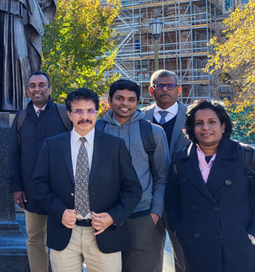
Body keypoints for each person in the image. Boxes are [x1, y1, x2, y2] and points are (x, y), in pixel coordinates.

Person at [32, 88, 142, 272]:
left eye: (90, 110)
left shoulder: (115, 146)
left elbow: (133, 189)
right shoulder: (52, 145)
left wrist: (113, 217)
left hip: (105, 232)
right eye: (78, 111)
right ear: (69, 114)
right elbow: (38, 184)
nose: (85, 116)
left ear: (97, 112)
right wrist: (59, 212)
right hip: (64, 233)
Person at [166, 100, 255, 272]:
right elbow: (172, 197)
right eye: (199, 123)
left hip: (238, 243)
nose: (205, 127)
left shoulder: (246, 155)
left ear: (223, 126)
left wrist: (251, 233)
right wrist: (179, 229)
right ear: (191, 128)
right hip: (196, 245)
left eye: (212, 122)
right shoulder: (180, 159)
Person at [97, 79, 169, 272]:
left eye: (131, 99)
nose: (125, 103)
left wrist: (155, 213)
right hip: (105, 215)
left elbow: (163, 176)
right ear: (110, 99)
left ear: (138, 102)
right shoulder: (97, 130)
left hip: (141, 214)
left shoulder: (153, 132)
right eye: (119, 98)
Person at [8, 71, 70, 271]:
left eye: (41, 85)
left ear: (49, 89)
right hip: (31, 190)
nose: (37, 89)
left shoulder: (64, 114)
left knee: (61, 237)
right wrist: (17, 187)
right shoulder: (21, 118)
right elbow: (14, 154)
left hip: (61, 192)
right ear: (28, 90)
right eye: (33, 85)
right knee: (34, 238)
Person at [143, 70, 190, 272]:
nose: (165, 89)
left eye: (170, 85)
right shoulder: (139, 117)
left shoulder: (193, 117)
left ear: (178, 90)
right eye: (159, 85)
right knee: (150, 259)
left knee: (184, 256)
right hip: (148, 196)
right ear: (151, 90)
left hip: (183, 197)